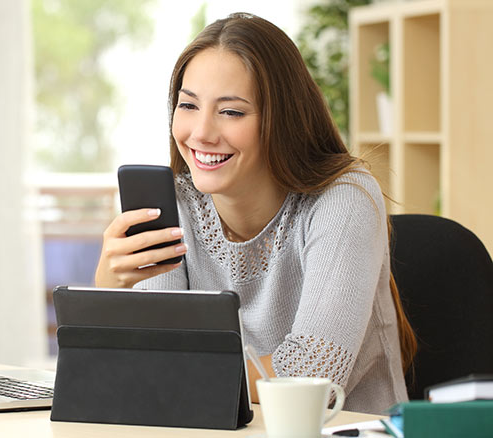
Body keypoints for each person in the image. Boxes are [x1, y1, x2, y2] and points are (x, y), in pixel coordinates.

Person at [94, 13, 415, 415]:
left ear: (282, 119)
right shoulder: (175, 203)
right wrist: (108, 291)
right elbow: (153, 353)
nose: (201, 132)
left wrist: (178, 368)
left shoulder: (343, 199)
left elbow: (314, 377)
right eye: (188, 105)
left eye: (231, 112)